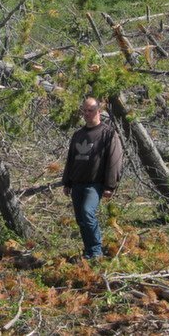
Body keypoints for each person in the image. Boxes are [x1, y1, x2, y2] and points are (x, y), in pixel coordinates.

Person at [62, 97, 123, 259]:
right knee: (81, 219)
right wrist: (67, 182)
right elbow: (71, 159)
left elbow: (115, 160)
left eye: (90, 110)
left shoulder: (108, 133)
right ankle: (89, 251)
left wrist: (110, 186)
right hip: (77, 184)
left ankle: (96, 251)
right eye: (85, 110)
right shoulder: (78, 135)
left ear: (99, 111)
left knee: (87, 213)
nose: (87, 113)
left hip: (94, 184)